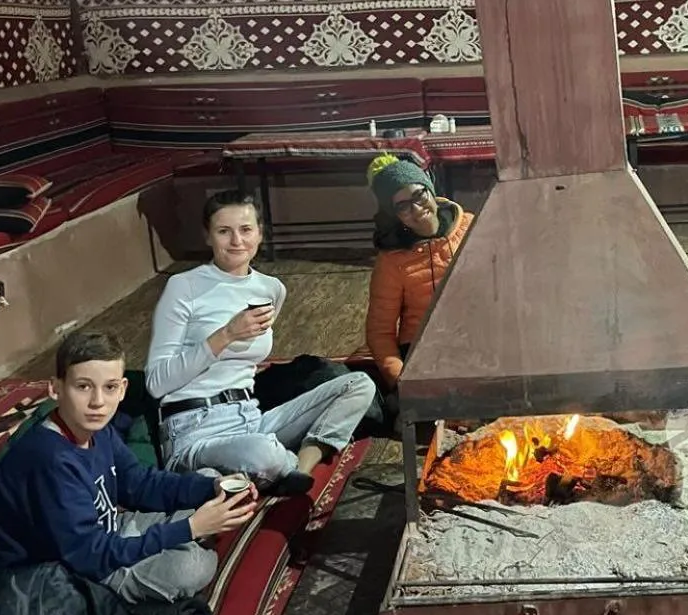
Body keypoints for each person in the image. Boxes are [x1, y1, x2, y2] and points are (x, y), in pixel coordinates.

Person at [0, 330, 256, 604]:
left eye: (110, 387)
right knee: (194, 567)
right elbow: (89, 557)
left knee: (210, 480)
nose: (98, 402)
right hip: (64, 573)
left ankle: (195, 530)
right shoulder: (49, 460)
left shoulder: (95, 427)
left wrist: (209, 488)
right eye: (83, 386)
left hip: (105, 531)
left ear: (123, 389)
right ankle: (192, 542)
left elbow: (139, 484)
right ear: (55, 388)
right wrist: (190, 529)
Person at [146, 188, 375, 496]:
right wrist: (225, 335)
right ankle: (267, 470)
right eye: (224, 232)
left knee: (359, 384)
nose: (237, 241)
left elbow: (250, 357)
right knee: (261, 451)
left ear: (260, 234)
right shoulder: (183, 287)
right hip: (194, 427)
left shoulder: (271, 289)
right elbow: (156, 383)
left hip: (251, 417)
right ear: (208, 236)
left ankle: (296, 471)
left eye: (245, 230)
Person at [364, 154, 474, 411]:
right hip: (423, 350)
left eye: (419, 196)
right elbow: (380, 331)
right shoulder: (392, 260)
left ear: (430, 189)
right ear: (395, 214)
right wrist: (401, 380)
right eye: (403, 206)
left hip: (476, 340)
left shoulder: (471, 227)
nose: (416, 209)